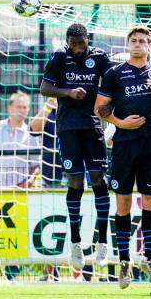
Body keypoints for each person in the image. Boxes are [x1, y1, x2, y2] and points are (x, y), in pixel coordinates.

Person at [95, 25, 151, 288]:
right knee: (123, 203)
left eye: (143, 41)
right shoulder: (114, 73)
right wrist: (121, 123)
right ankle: (124, 262)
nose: (138, 44)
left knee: (150, 202)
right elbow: (99, 108)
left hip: (150, 144)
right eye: (134, 40)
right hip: (123, 145)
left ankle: (149, 260)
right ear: (128, 44)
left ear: (149, 45)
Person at [40, 23, 114, 269]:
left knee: (98, 179)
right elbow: (45, 88)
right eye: (74, 44)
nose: (78, 48)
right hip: (68, 128)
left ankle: (103, 241)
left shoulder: (99, 57)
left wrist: (109, 107)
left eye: (81, 43)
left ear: (87, 39)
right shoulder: (60, 57)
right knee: (75, 182)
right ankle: (75, 242)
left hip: (93, 126)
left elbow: (113, 81)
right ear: (67, 42)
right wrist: (69, 93)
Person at [0, 91, 39, 188]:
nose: (22, 110)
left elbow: (36, 165)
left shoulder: (31, 134)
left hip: (19, 190)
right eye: (18, 107)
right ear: (9, 108)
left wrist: (30, 180)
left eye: (25, 107)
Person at [30, 97, 63, 188]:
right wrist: (47, 107)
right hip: (50, 177)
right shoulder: (50, 112)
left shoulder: (77, 110)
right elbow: (33, 131)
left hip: (75, 175)